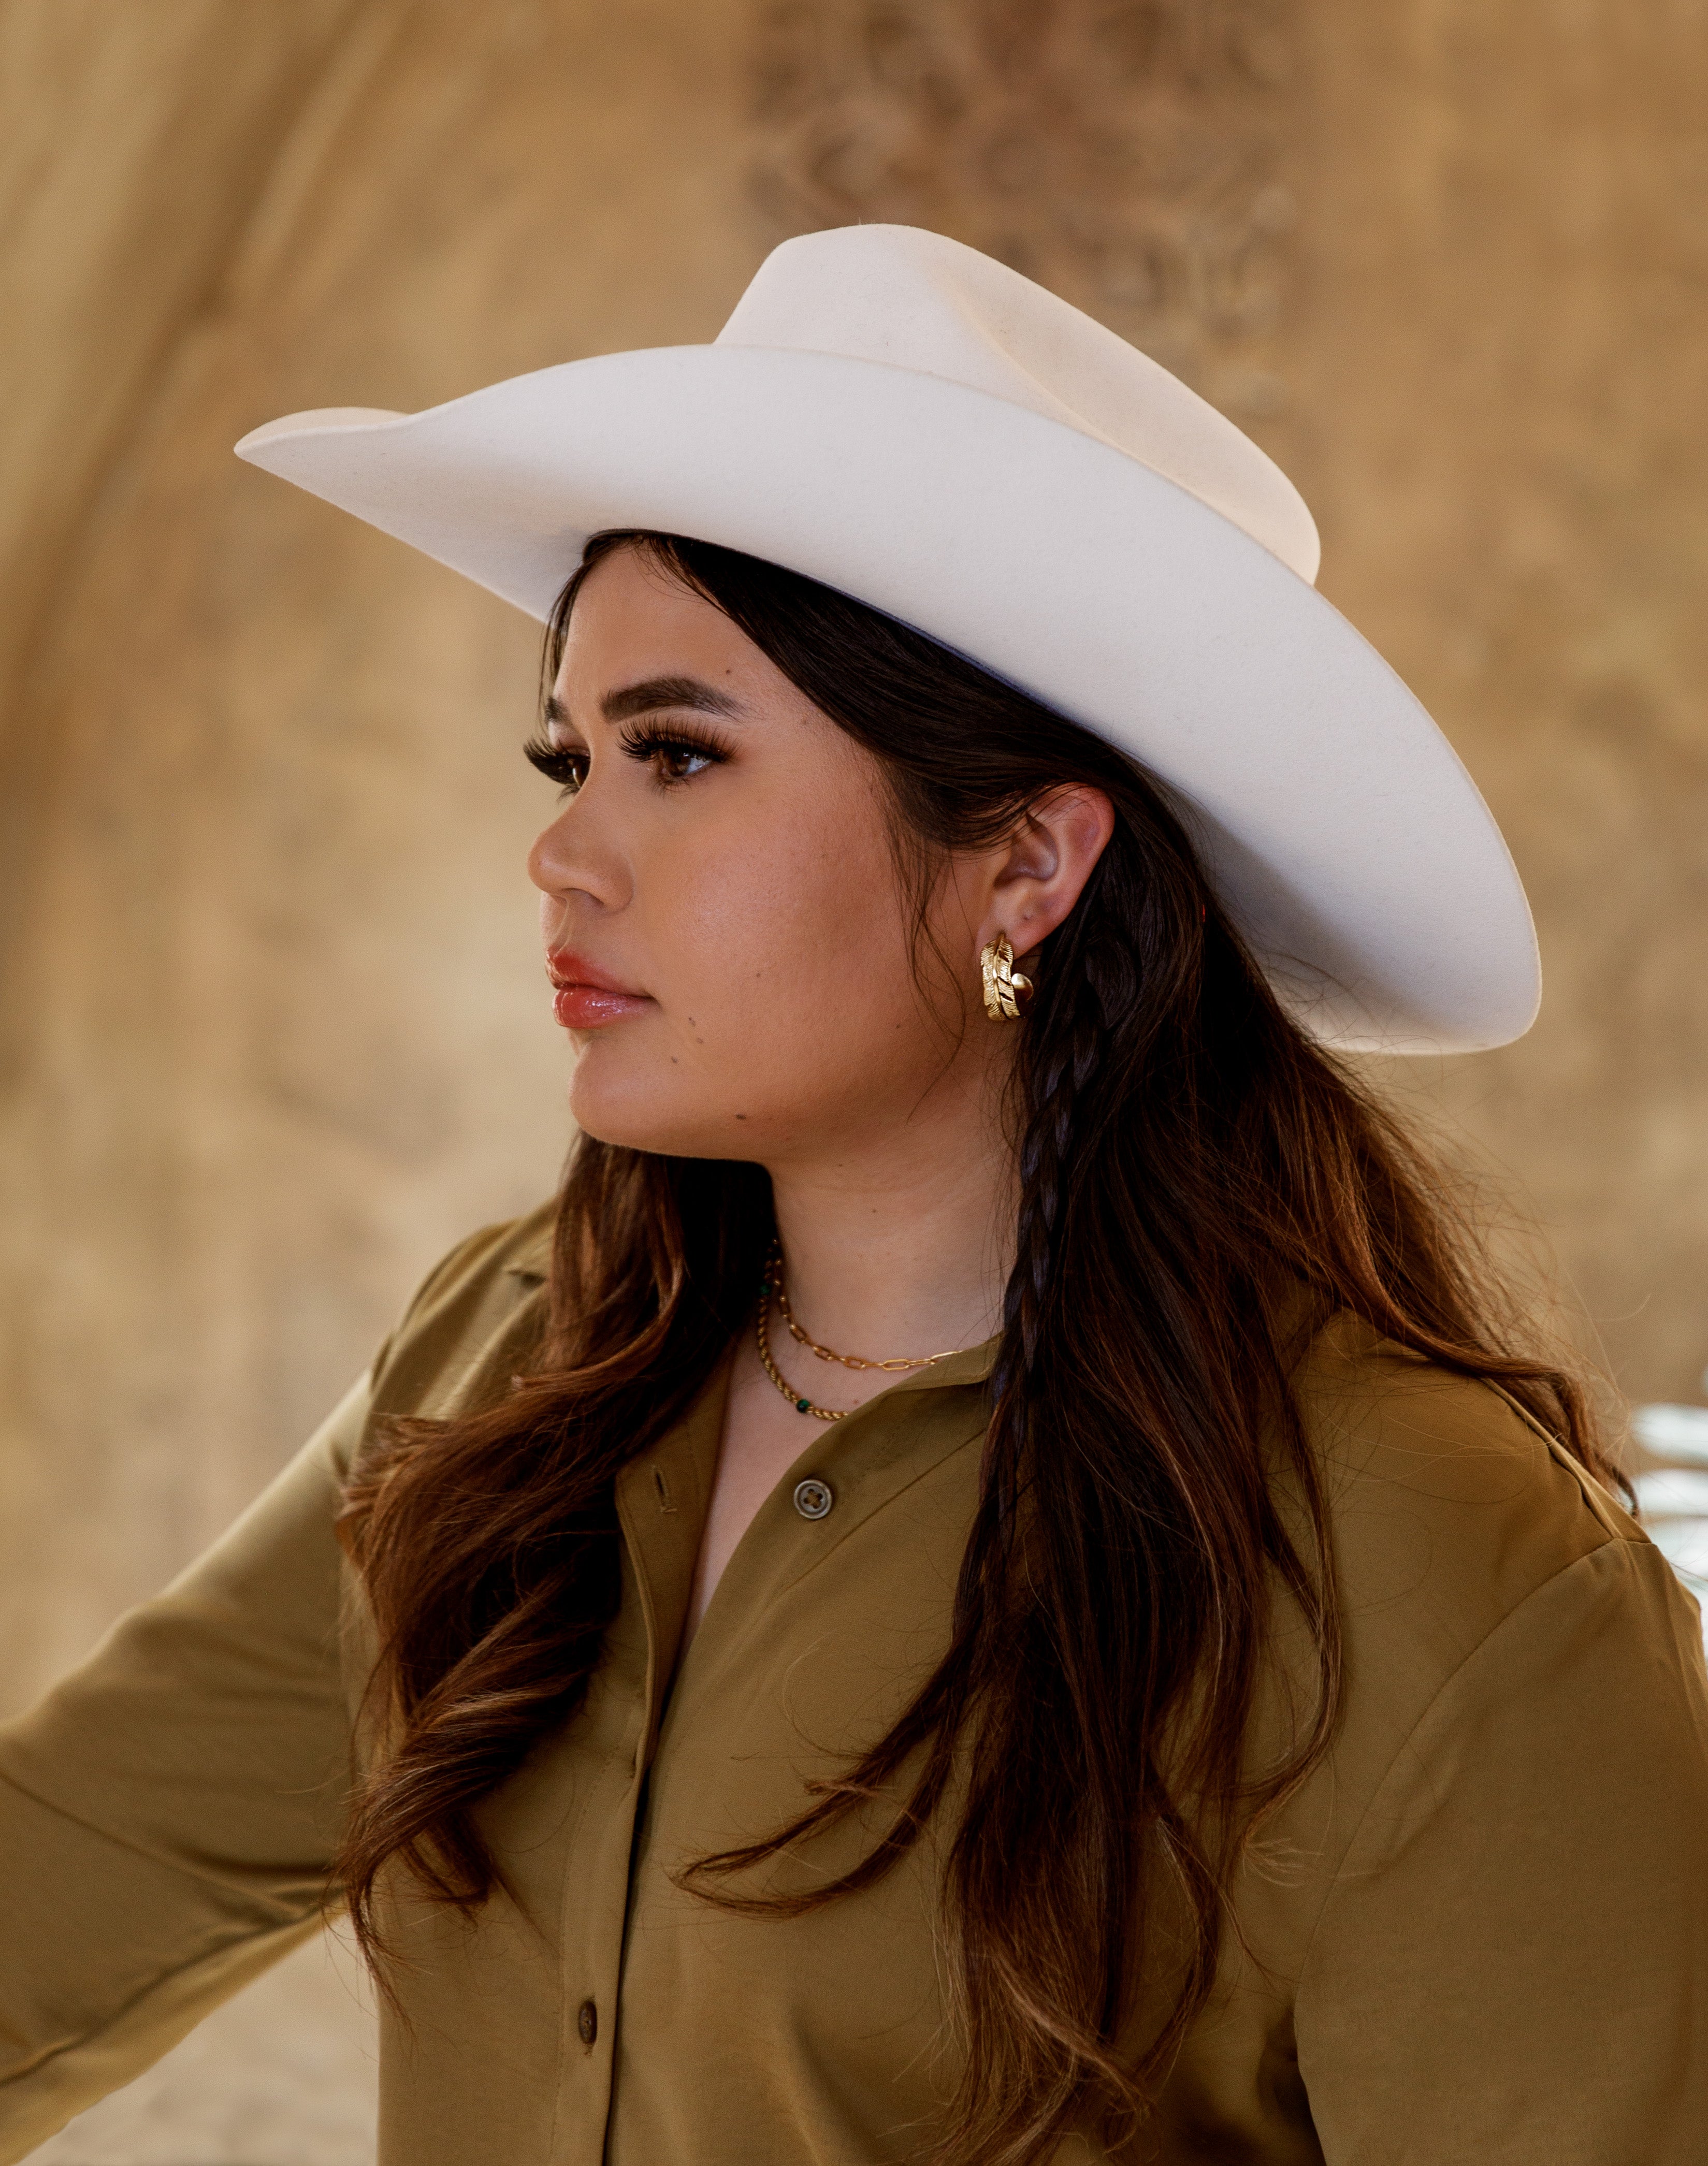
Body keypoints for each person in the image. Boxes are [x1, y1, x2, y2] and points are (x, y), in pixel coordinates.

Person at [0, 225, 1703, 2166]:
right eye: (570, 756)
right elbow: (66, 1885)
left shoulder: (1432, 1557)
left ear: (1026, 866)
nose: (563, 850)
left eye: (675, 755)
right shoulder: (500, 1364)